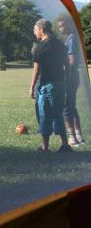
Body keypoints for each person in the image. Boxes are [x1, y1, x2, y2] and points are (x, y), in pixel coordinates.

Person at [29, 18, 72, 154]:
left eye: (35, 30)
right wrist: (66, 82)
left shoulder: (40, 48)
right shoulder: (60, 45)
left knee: (45, 114)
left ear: (42, 30)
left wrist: (31, 88)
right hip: (61, 83)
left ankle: (45, 147)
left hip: (47, 85)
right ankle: (65, 145)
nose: (34, 32)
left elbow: (36, 69)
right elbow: (67, 66)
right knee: (58, 113)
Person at [58, 16, 85, 146]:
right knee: (72, 106)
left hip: (70, 77)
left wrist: (65, 74)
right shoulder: (73, 38)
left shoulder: (72, 38)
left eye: (61, 26)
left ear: (69, 25)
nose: (59, 29)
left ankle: (72, 138)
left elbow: (72, 60)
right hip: (73, 76)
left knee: (66, 108)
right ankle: (79, 137)